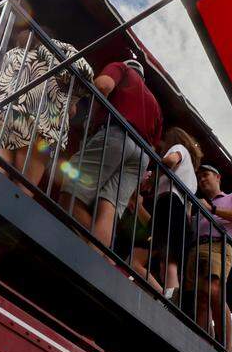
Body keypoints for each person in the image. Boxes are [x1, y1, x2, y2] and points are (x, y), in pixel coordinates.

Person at [60, 58, 162, 247]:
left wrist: (91, 118)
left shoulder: (121, 68)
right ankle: (99, 257)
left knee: (70, 195)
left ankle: (94, 251)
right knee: (108, 208)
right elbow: (155, 146)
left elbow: (103, 85)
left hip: (116, 135)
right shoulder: (155, 104)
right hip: (142, 156)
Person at [0, 24, 93, 187]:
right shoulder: (56, 47)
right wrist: (72, 101)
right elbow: (85, 72)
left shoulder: (12, 53)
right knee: (25, 184)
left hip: (4, 112)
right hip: (41, 118)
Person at [187, 164, 232, 348]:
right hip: (195, 249)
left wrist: (212, 210)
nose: (201, 180)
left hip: (218, 246)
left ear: (218, 177)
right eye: (199, 177)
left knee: (214, 290)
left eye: (205, 175)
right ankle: (201, 347)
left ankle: (225, 350)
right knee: (200, 300)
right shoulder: (198, 205)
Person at [149, 127, 202, 298]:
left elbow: (170, 161)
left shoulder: (178, 148)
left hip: (168, 203)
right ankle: (169, 296)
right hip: (181, 213)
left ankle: (170, 298)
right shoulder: (193, 177)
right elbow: (188, 209)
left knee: (168, 260)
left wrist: (152, 177)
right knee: (169, 261)